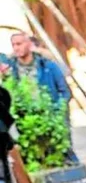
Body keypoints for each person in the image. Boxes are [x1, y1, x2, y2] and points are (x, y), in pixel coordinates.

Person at [2, 32, 76, 164]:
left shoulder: (48, 66)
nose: (16, 48)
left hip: (50, 117)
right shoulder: (11, 70)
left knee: (62, 155)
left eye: (19, 44)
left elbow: (65, 92)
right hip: (27, 121)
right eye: (14, 45)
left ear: (29, 45)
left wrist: (57, 112)